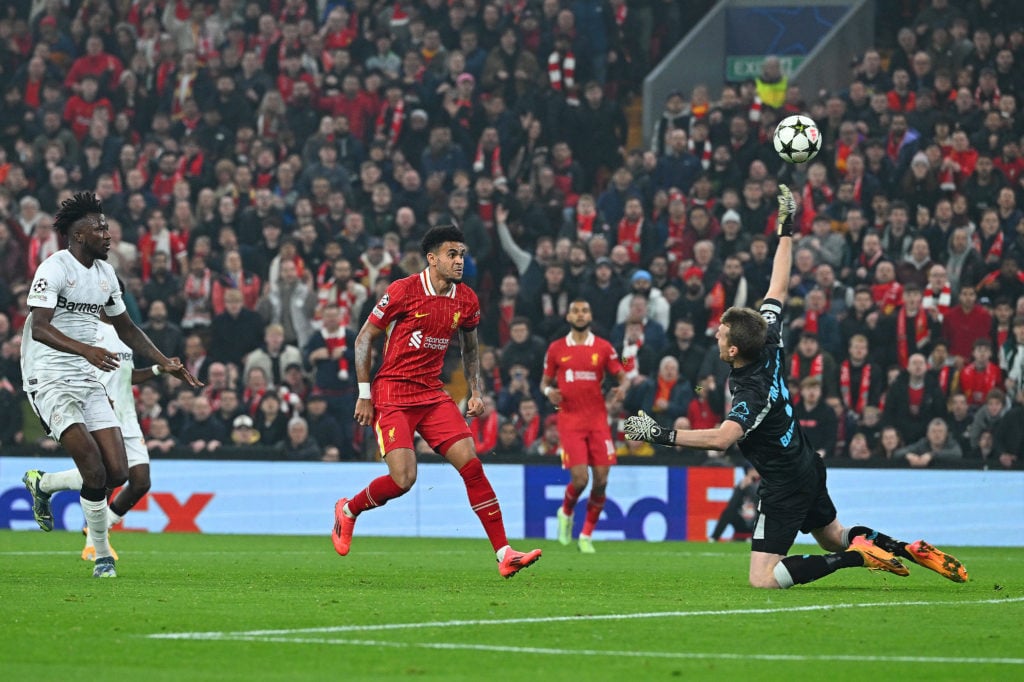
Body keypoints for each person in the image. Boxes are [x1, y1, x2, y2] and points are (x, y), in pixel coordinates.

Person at [623, 185, 969, 589]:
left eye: (720, 335)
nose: (715, 335)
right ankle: (906, 548)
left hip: (784, 481)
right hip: (806, 461)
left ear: (734, 349)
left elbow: (723, 439)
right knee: (833, 533)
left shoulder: (750, 392)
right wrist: (785, 230)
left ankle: (854, 558)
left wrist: (658, 433)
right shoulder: (766, 338)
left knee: (764, 580)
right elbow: (779, 284)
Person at [332, 219, 542, 578]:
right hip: (393, 392)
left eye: (461, 254)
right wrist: (364, 394)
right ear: (432, 259)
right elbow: (364, 338)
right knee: (403, 479)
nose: (459, 260)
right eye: (451, 254)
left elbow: (470, 347)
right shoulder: (403, 290)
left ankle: (504, 553)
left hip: (431, 392)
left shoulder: (467, 299)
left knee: (471, 464)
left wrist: (476, 390)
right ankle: (349, 510)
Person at [20, 193, 200, 579]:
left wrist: (162, 361)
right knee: (94, 470)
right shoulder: (54, 269)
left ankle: (44, 484)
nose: (108, 233)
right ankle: (102, 556)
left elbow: (127, 328)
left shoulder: (106, 275)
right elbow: (40, 328)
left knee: (118, 473)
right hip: (49, 377)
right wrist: (86, 349)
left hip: (87, 376)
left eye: (107, 227)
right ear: (78, 234)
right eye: (99, 228)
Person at [26, 306, 167, 561]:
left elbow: (125, 375)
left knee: (137, 480)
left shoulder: (123, 335)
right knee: (101, 476)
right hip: (100, 407)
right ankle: (96, 546)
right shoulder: (91, 329)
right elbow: (85, 366)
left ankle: (49, 486)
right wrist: (100, 396)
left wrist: (159, 369)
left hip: (128, 416)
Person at [540, 298, 629, 553]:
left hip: (598, 421)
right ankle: (565, 512)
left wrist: (621, 390)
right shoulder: (556, 349)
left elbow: (622, 377)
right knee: (580, 479)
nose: (580, 315)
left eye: (585, 310)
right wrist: (549, 392)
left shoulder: (603, 348)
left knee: (601, 481)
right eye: (575, 311)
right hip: (569, 421)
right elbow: (543, 383)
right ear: (568, 317)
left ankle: (586, 535)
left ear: (590, 315)